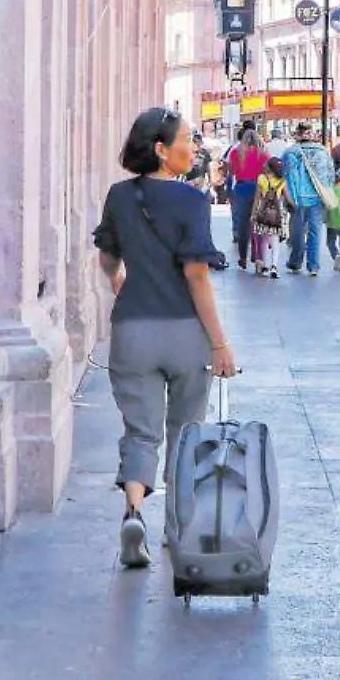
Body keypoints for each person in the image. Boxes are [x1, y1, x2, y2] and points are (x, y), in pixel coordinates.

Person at [90, 108, 238, 569]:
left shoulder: (118, 197)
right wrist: (219, 342)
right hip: (184, 334)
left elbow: (107, 258)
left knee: (141, 431)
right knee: (185, 432)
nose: (194, 148)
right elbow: (196, 274)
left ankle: (134, 510)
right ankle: (177, 524)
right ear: (161, 149)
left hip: (132, 331)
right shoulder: (193, 203)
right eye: (188, 141)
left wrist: (118, 280)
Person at [282, 123, 336, 276]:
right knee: (315, 231)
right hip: (317, 198)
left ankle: (295, 262)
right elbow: (330, 175)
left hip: (297, 198)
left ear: (297, 134)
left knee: (297, 231)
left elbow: (286, 177)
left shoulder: (290, 152)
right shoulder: (323, 152)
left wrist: (288, 199)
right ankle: (313, 265)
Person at [226, 129, 268, 270]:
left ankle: (242, 258)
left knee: (243, 225)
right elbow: (267, 172)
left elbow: (231, 171)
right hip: (258, 188)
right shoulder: (263, 154)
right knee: (257, 224)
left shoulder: (235, 153)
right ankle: (257, 257)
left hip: (241, 188)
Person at [251, 156, 291, 278]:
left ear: (269, 168)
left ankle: (265, 266)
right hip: (277, 215)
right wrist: (294, 206)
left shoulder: (262, 179)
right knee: (275, 241)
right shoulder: (282, 181)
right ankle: (274, 266)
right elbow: (288, 198)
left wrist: (253, 213)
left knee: (264, 240)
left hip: (263, 213)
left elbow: (257, 198)